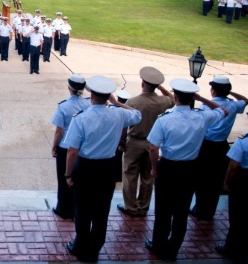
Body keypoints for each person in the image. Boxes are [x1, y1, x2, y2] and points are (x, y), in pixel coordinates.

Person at [145, 79, 227, 261]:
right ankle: (173, 249)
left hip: (168, 167)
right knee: (181, 212)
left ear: (175, 97)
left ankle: (159, 245)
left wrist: (154, 168)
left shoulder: (165, 119)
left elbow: (153, 147)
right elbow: (224, 111)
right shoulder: (201, 117)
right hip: (190, 169)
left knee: (163, 211)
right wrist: (202, 99)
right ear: (192, 98)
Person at [64, 75, 141, 262]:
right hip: (108, 167)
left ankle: (80, 245)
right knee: (101, 210)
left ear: (91, 96)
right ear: (108, 97)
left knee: (82, 209)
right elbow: (137, 115)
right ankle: (95, 246)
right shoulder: (118, 113)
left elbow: (72, 151)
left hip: (86, 167)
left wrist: (68, 174)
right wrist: (117, 103)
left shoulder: (81, 118)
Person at [118, 67, 174, 218]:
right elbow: (173, 99)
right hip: (152, 144)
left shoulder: (133, 101)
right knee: (148, 176)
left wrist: (122, 141)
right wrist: (159, 86)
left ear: (142, 83)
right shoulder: (162, 101)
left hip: (135, 142)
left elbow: (126, 124)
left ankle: (130, 207)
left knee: (130, 175)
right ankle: (143, 206)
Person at [190, 76, 247, 220]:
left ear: (213, 90)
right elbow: (245, 100)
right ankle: (209, 210)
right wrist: (229, 92)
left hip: (206, 145)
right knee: (216, 181)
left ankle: (200, 208)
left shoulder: (206, 105)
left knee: (202, 179)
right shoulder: (233, 105)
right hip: (222, 147)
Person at [50, 74, 90, 220]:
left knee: (63, 179)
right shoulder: (88, 104)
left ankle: (63, 209)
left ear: (69, 88)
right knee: (77, 180)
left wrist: (54, 146)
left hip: (65, 147)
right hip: (81, 148)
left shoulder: (63, 106)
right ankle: (75, 208)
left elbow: (59, 131)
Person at [215, 131, 248, 262]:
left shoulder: (243, 141)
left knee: (237, 215)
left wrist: (226, 182)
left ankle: (232, 248)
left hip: (243, 181)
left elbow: (233, 166)